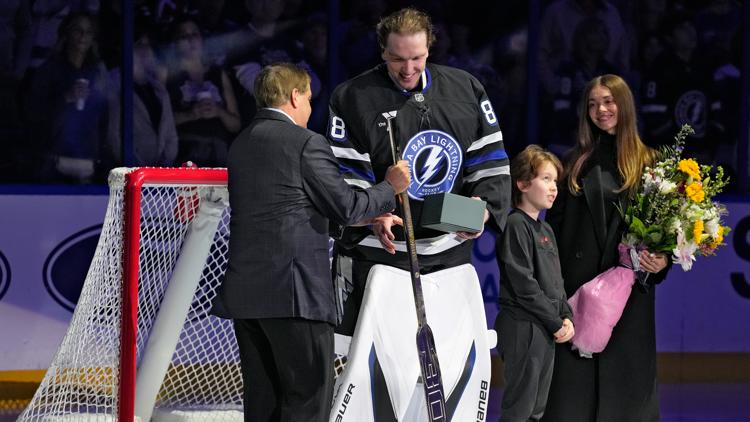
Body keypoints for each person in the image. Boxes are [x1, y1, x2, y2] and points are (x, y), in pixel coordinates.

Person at [213, 63, 410, 422]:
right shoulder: (305, 142)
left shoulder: (241, 144)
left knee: (263, 404)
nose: (309, 107)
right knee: (308, 400)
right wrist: (389, 188)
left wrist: (369, 219)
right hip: (295, 296)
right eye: (307, 98)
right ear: (294, 96)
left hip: (247, 297)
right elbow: (346, 206)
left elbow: (290, 212)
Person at [327, 7, 511, 335]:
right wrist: (371, 216)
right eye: (397, 59)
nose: (408, 69)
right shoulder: (352, 97)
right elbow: (344, 181)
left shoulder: (466, 89)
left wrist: (479, 214)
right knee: (376, 365)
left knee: (446, 361)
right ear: (382, 51)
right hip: (379, 257)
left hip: (449, 255)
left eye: (417, 57)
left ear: (430, 48)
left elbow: (490, 165)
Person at [541, 74, 670, 422]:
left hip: (629, 303)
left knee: (625, 401)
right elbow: (551, 236)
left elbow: (666, 233)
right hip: (578, 299)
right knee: (573, 403)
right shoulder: (572, 164)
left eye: (608, 101)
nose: (601, 110)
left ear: (624, 105)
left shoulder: (651, 164)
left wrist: (661, 261)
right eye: (593, 104)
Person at [495, 145, 574, 422]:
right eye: (546, 179)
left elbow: (556, 280)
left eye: (555, 181)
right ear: (523, 184)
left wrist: (566, 315)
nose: (553, 188)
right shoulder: (516, 225)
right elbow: (524, 286)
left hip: (545, 327)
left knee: (536, 411)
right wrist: (555, 322)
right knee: (520, 408)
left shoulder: (546, 228)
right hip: (523, 327)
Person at [166, 17, 241, 167]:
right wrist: (192, 114)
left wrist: (219, 111)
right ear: (175, 43)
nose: (190, 40)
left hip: (219, 152)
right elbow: (161, 122)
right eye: (184, 36)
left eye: (195, 34)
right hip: (186, 151)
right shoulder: (168, 75)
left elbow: (236, 124)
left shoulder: (218, 74)